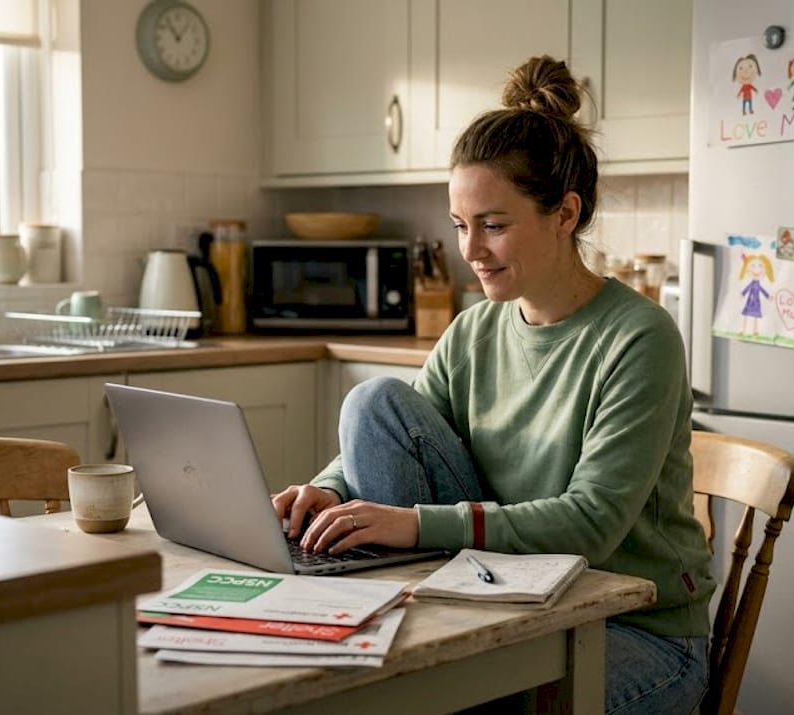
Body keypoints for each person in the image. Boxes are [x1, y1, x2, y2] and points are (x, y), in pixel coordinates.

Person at [271, 55, 714, 713]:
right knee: (373, 402)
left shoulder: (639, 337)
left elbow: (591, 523)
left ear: (565, 214)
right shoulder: (475, 331)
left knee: (464, 703)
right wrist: (329, 488)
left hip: (634, 628)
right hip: (506, 599)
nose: (470, 249)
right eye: (460, 225)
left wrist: (412, 525)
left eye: (494, 224)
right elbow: (389, 432)